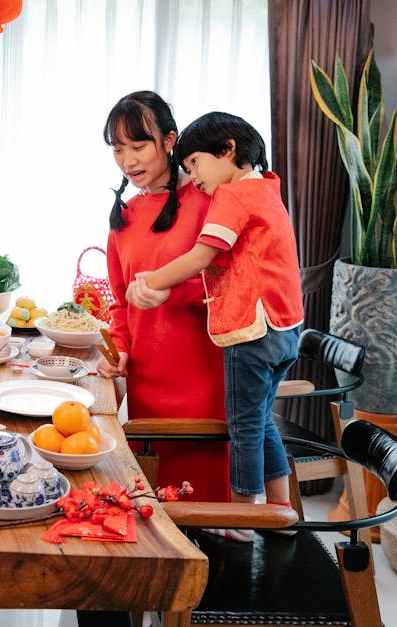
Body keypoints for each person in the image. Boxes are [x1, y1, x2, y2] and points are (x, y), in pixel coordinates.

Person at [127, 111, 304, 538]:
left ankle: (240, 518)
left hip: (252, 330)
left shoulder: (233, 196)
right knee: (261, 421)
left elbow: (200, 256)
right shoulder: (268, 188)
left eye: (195, 164)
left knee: (242, 427)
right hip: (286, 329)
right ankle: (280, 512)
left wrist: (150, 280)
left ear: (227, 151)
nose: (193, 177)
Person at [97, 91, 230, 505]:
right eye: (119, 149)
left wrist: (177, 289)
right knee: (154, 507)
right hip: (146, 382)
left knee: (205, 508)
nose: (128, 160)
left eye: (139, 146)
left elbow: (231, 280)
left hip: (202, 378)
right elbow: (120, 304)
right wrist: (117, 348)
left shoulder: (209, 200)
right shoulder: (125, 217)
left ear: (169, 141)